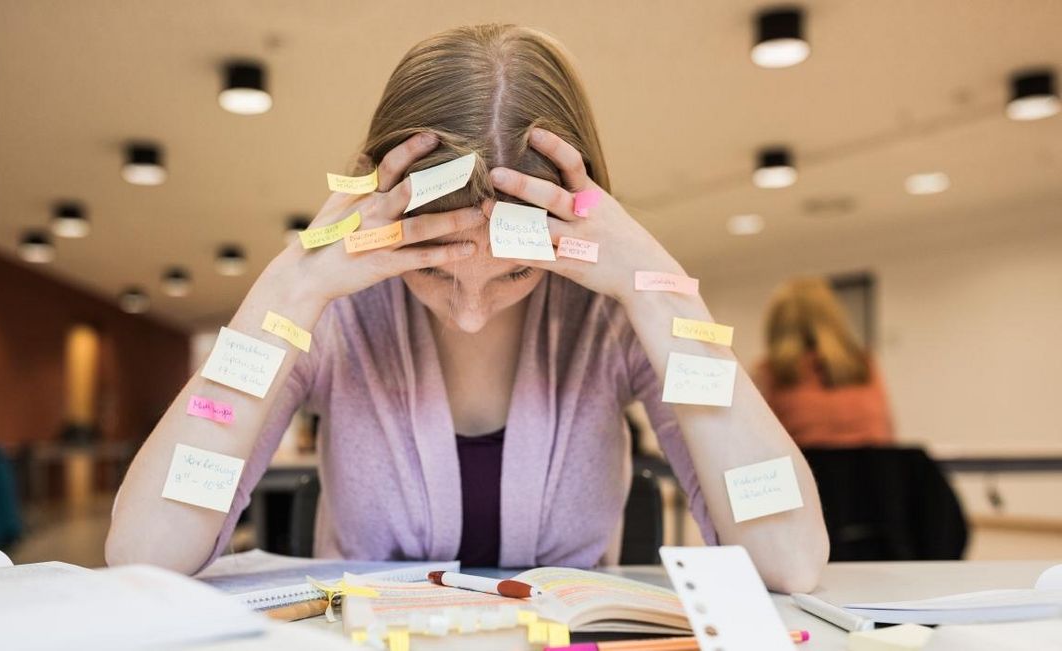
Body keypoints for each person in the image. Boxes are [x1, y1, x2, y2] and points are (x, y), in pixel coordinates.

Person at [107, 24, 828, 592]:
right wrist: (285, 291)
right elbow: (145, 552)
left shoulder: (611, 316)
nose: (472, 313)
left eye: (515, 274)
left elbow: (789, 558)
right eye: (433, 271)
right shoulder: (331, 313)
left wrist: (658, 287)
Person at [755, 277, 895, 448]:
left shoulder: (770, 372)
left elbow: (759, 445)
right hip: (876, 471)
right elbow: (887, 432)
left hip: (807, 471)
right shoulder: (863, 364)